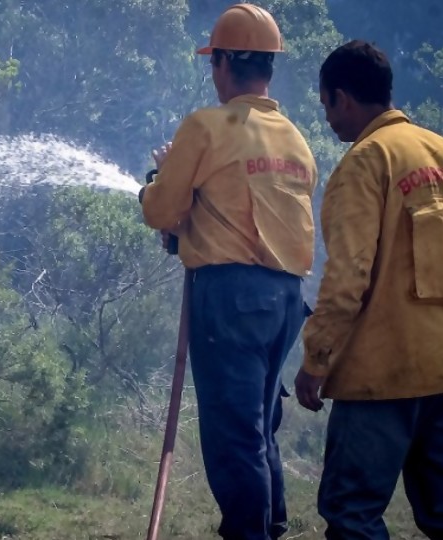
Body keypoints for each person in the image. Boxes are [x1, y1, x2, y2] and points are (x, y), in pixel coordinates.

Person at [138, 4, 317, 539]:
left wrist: (161, 175)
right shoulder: (294, 138)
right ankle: (271, 525)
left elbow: (161, 210)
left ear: (222, 64)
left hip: (231, 298)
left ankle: (249, 533)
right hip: (286, 299)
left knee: (233, 437)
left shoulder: (206, 126)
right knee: (259, 429)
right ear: (268, 67)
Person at [294, 39, 443, 539]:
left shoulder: (363, 164)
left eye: (326, 105)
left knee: (351, 514)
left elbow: (347, 282)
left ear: (342, 98)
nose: (327, 119)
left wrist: (315, 361)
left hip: (381, 377)